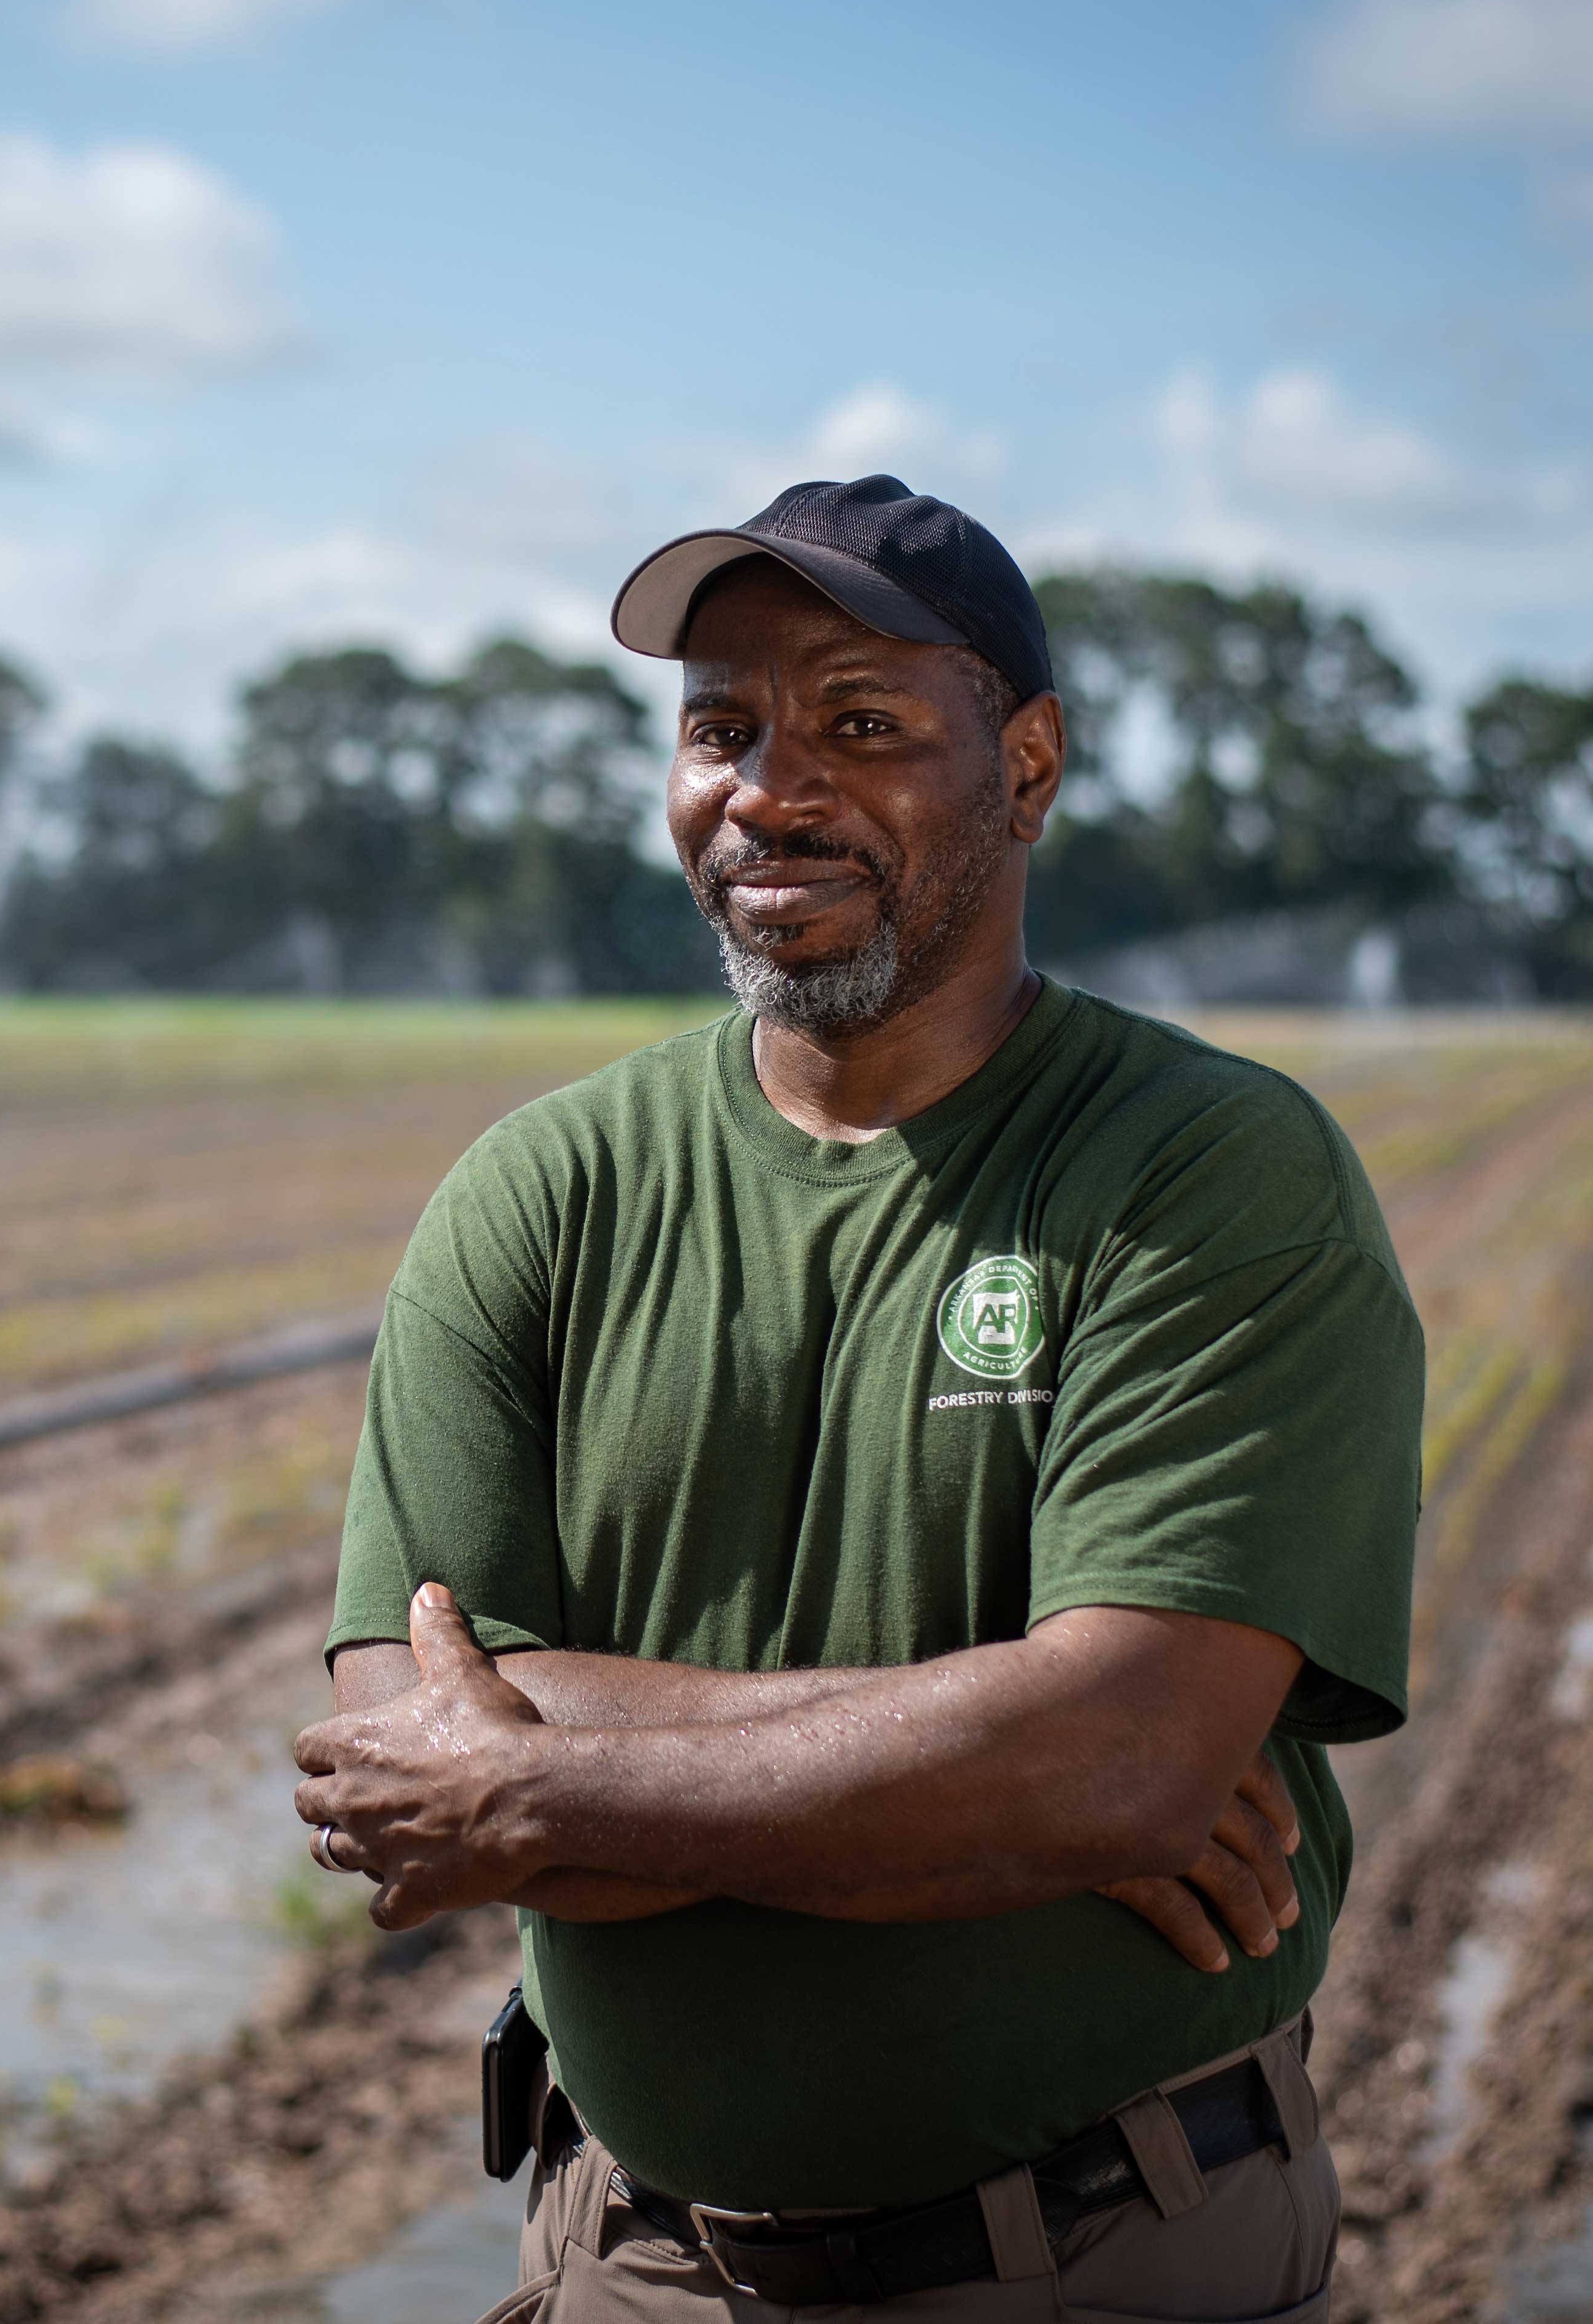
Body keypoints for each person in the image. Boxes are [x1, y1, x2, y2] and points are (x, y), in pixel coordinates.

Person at [294, 475, 1420, 2320]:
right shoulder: (545, 1191)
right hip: (629, 2261)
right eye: (720, 729)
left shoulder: (1204, 1171)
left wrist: (555, 1781)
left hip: (1101, 2255)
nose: (770, 787)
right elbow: (409, 1756)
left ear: (1031, 766)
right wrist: (1013, 1764)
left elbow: (1129, 1753)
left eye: (861, 724)